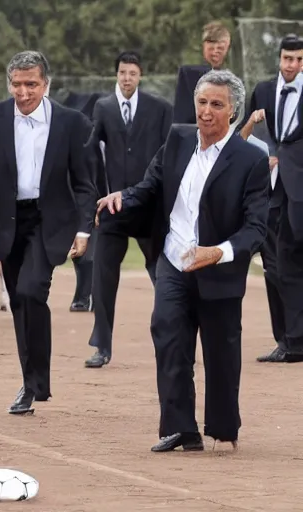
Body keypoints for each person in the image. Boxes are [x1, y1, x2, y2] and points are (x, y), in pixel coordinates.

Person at [97, 69, 268, 452]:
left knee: (221, 351)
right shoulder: (176, 140)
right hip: (174, 260)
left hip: (218, 269)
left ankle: (224, 429)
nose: (206, 112)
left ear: (233, 111)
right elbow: (150, 185)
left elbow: (256, 227)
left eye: (216, 105)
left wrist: (218, 252)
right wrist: (122, 196)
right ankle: (180, 428)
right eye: (202, 102)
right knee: (168, 334)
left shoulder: (250, 160)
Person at [0, 51, 95, 415]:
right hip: (6, 224)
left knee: (31, 291)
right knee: (18, 302)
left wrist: (83, 228)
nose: (24, 92)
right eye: (17, 84)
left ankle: (35, 384)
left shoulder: (71, 122)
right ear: (8, 83)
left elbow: (85, 183)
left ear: (46, 84)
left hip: (49, 221)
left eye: (32, 84)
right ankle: (30, 382)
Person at [83, 50, 172, 368]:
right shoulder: (104, 107)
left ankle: (176, 337)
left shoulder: (160, 108)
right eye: (122, 72)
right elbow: (92, 151)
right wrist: (98, 195)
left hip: (149, 207)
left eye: (133, 73)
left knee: (163, 276)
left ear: (140, 75)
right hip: (115, 208)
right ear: (116, 74)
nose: (127, 78)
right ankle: (101, 346)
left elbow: (169, 155)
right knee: (102, 276)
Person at [237, 35, 303, 363]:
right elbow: (241, 137)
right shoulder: (263, 91)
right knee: (275, 268)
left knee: (291, 264)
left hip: (300, 192)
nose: (292, 65)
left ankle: (295, 340)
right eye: (287, 58)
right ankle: (287, 341)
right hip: (272, 193)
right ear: (279, 59)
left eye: (298, 60)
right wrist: (255, 127)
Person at [173, 21, 231, 124]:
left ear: (227, 47)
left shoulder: (230, 77)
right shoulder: (190, 74)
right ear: (204, 47)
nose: (215, 52)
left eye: (220, 48)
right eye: (211, 48)